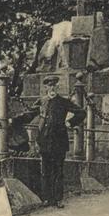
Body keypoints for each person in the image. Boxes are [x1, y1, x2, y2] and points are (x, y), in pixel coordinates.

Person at [15, 74, 86, 207]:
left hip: (59, 140)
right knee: (46, 171)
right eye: (49, 86)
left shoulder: (63, 102)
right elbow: (29, 114)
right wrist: (13, 120)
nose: (52, 88)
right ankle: (47, 199)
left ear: (57, 87)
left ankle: (58, 199)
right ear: (46, 88)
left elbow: (81, 112)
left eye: (54, 85)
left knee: (58, 170)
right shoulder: (42, 101)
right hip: (45, 140)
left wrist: (70, 123)